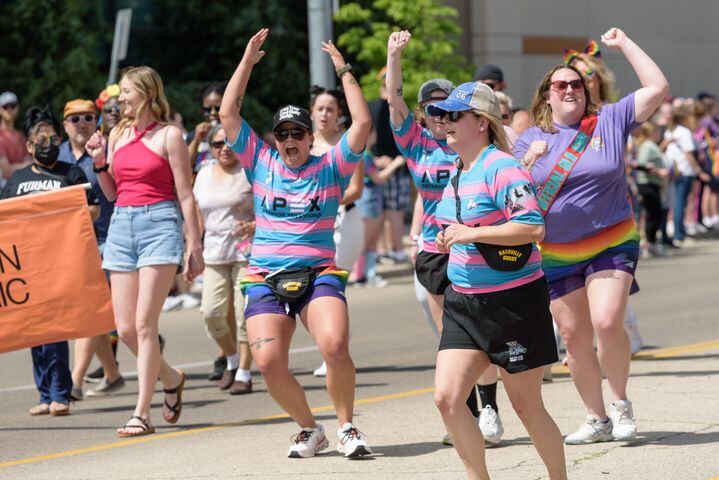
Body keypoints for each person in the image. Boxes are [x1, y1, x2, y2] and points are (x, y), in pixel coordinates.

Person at [219, 29, 372, 458]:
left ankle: (346, 427)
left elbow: (361, 123)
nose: (290, 140)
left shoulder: (332, 166)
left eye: (298, 133)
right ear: (274, 139)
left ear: (310, 137)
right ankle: (310, 428)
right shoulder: (260, 162)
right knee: (267, 363)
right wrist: (247, 63)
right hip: (266, 276)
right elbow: (229, 114)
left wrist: (343, 70)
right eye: (283, 133)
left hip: (317, 272)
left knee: (335, 346)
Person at [514, 28, 669, 445]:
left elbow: (658, 86)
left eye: (577, 84)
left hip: (611, 239)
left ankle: (619, 404)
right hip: (556, 252)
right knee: (573, 335)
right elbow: (512, 198)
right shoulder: (528, 139)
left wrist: (624, 44)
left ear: (587, 90)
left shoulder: (610, 120)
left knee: (606, 320)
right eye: (560, 84)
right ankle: (596, 418)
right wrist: (527, 162)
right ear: (546, 94)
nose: (570, 89)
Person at [430, 81, 566, 480]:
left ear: (482, 123)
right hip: (464, 302)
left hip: (513, 302)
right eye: (444, 116)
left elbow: (532, 227)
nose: (446, 122)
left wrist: (469, 234)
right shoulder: (457, 170)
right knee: (447, 399)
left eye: (455, 115)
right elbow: (459, 225)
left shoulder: (502, 167)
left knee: (526, 406)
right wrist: (448, 236)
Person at [386, 30, 504, 447]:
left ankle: (489, 405)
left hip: (477, 247)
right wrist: (393, 56)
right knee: (453, 334)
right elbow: (393, 101)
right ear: (422, 113)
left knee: (481, 331)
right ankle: (466, 411)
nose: (439, 115)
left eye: (446, 107)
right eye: (431, 107)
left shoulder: (466, 143)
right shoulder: (416, 144)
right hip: (437, 250)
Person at [85, 65, 204, 437]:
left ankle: (142, 413)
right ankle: (171, 378)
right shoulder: (116, 134)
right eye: (120, 94)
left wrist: (194, 244)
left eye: (127, 92)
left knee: (144, 324)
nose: (121, 99)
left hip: (160, 224)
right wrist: (100, 161)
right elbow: (109, 193)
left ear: (148, 94)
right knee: (124, 328)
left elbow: (186, 195)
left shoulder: (170, 135)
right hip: (121, 224)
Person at [1, 106, 100, 416]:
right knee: (35, 332)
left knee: (56, 329)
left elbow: (92, 210)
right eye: (40, 139)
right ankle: (44, 395)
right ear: (29, 145)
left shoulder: (71, 174)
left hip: (59, 264)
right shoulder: (17, 179)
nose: (47, 143)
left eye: (52, 138)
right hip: (27, 266)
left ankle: (61, 394)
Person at [56, 99, 125, 400]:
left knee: (88, 309)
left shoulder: (107, 148)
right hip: (68, 245)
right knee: (90, 312)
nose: (81, 123)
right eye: (74, 118)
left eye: (87, 117)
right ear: (65, 124)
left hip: (109, 238)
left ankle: (75, 381)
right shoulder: (55, 156)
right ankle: (112, 374)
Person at [193, 124, 255, 394]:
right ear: (211, 148)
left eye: (229, 142)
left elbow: (269, 206)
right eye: (218, 144)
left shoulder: (249, 172)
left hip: (246, 251)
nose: (224, 148)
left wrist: (254, 225)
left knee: (244, 314)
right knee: (211, 313)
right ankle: (231, 359)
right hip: (214, 252)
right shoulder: (203, 174)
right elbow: (196, 214)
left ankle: (244, 371)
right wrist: (192, 248)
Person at [308, 85, 365, 378]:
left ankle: (333, 351)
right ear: (312, 112)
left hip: (345, 222)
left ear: (338, 114)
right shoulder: (302, 145)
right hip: (312, 227)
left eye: (330, 109)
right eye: (320, 108)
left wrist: (325, 201)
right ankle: (332, 347)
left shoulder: (347, 144)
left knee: (331, 286)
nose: (325, 114)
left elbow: (355, 189)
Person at [369, 68, 410, 264]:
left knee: (384, 211)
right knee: (391, 211)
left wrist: (375, 158)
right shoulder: (392, 108)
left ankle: (385, 250)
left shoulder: (376, 107)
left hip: (381, 164)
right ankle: (395, 250)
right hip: (390, 164)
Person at [661, 108, 710, 245]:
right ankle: (679, 234)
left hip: (672, 170)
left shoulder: (670, 131)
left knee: (674, 202)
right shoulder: (684, 132)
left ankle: (676, 232)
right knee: (680, 203)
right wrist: (698, 170)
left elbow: (662, 149)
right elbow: (689, 154)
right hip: (684, 171)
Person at [631, 122, 668, 256]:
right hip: (647, 183)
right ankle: (649, 243)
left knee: (655, 213)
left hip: (653, 183)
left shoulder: (651, 145)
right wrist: (658, 171)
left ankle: (651, 243)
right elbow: (641, 164)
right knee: (652, 214)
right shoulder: (648, 146)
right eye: (656, 132)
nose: (658, 134)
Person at [0, 91, 30, 183]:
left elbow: (32, 163)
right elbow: (7, 172)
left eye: (12, 106)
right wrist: (26, 165)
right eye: (5, 107)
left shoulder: (21, 137)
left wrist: (15, 166)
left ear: (17, 108)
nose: (9, 109)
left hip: (21, 185)